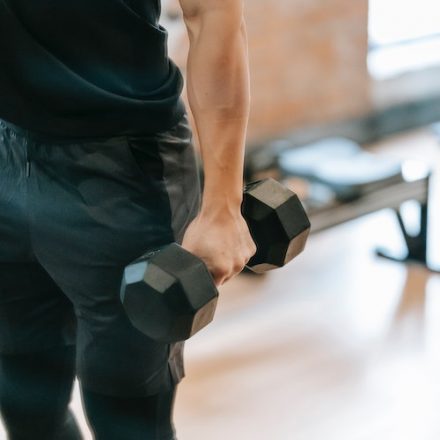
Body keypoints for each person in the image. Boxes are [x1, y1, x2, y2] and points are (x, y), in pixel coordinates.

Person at [0, 0, 256, 438]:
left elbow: (210, 12)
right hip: (5, 150)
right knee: (27, 403)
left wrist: (223, 207)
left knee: (128, 419)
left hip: (122, 173)